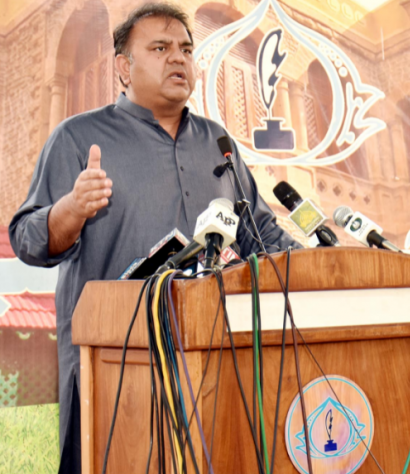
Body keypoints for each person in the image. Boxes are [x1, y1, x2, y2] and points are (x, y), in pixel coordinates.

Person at [9, 4, 300, 472]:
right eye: (160, 48)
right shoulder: (78, 138)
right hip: (115, 367)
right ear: (123, 67)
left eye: (186, 49)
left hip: (215, 361)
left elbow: (260, 232)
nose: (179, 59)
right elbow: (27, 238)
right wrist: (71, 209)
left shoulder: (217, 142)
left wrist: (319, 266)